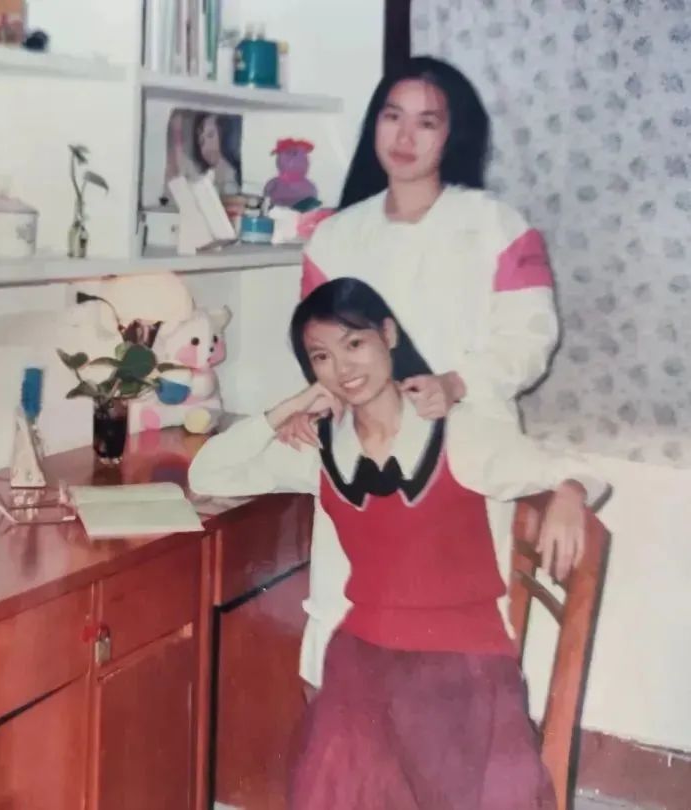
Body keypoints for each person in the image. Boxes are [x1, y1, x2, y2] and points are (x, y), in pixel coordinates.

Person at [188, 278, 606, 810]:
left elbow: (578, 472)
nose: (343, 367)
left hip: (463, 660)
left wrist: (569, 492)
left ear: (387, 335)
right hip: (364, 654)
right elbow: (208, 473)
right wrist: (287, 408)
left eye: (354, 343)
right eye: (321, 357)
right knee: (340, 784)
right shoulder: (320, 448)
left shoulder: (454, 432)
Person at [278, 56, 561, 693]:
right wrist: (317, 404)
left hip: (461, 451)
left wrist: (456, 383)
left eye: (427, 122)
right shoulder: (334, 238)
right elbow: (320, 351)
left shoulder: (497, 225)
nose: (405, 137)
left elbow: (530, 339)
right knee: (348, 639)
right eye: (392, 116)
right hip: (360, 459)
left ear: (452, 134)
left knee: (451, 660)